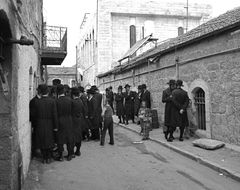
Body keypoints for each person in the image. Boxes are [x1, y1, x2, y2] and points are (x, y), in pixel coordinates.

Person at [33, 84, 58, 164]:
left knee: (42, 140)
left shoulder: (37, 102)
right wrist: (56, 126)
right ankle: (48, 157)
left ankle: (44, 157)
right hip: (49, 123)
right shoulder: (52, 101)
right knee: (49, 140)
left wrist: (35, 125)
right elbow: (54, 114)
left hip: (40, 123)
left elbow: (34, 115)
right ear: (48, 91)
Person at [56, 84, 74, 161]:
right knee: (69, 138)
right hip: (69, 120)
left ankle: (60, 156)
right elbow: (73, 111)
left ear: (57, 92)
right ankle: (70, 154)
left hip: (60, 121)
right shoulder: (70, 100)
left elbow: (55, 113)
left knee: (60, 139)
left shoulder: (56, 101)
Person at [71, 87, 84, 156]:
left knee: (73, 137)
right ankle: (78, 151)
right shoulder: (80, 101)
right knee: (79, 136)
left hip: (73, 120)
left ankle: (72, 152)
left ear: (73, 95)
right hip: (79, 120)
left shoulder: (72, 102)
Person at [29, 86, 41, 158]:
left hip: (42, 123)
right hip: (36, 123)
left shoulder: (43, 99)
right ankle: (35, 152)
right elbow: (32, 114)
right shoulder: (33, 101)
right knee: (36, 137)